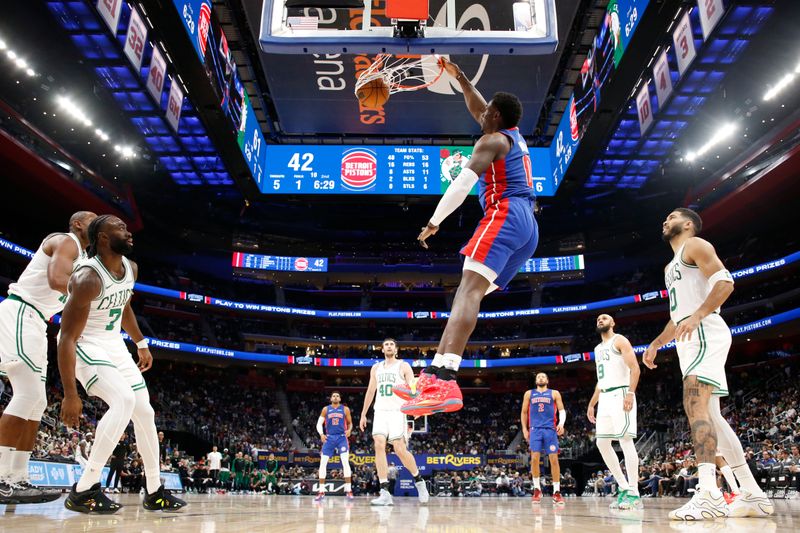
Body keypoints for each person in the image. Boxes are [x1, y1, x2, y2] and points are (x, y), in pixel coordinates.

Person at [397, 58, 538, 417]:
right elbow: (476, 102)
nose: (481, 112)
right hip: (528, 228)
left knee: (468, 292)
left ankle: (446, 379)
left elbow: (462, 184)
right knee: (465, 295)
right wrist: (459, 76)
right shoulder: (510, 135)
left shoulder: (490, 141)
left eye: (487, 110)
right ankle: (432, 375)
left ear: (495, 117)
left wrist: (434, 221)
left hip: (505, 214)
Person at [643, 208, 773, 520]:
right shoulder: (669, 265)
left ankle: (708, 493)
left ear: (688, 224)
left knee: (695, 405)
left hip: (704, 332)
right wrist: (658, 342)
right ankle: (752, 494)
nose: (665, 219)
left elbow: (725, 283)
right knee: (712, 416)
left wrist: (699, 316)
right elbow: (679, 314)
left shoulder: (695, 245)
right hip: (688, 337)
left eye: (672, 216)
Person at [57, 215, 186, 513]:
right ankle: (84, 488)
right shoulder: (87, 277)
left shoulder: (131, 268)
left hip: (114, 344)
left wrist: (141, 343)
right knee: (124, 400)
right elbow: (66, 338)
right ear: (102, 238)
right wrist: (70, 394)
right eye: (120, 229)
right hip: (86, 344)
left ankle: (154, 491)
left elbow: (123, 304)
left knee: (145, 411)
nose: (129, 233)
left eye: (127, 229)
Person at [0, 211, 96, 504]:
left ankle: (17, 478)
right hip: (21, 311)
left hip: (37, 320)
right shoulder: (66, 241)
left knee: (38, 401)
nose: (99, 223)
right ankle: (2, 477)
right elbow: (57, 280)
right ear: (78, 224)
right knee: (27, 395)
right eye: (94, 219)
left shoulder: (84, 259)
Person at [359, 338, 429, 506]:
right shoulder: (376, 368)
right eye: (386, 345)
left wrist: (417, 407)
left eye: (392, 344)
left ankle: (419, 481)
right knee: (379, 444)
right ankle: (384, 492)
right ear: (382, 349)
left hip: (398, 411)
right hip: (380, 411)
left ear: (396, 349)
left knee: (399, 449)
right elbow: (370, 391)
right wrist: (363, 414)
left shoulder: (404, 366)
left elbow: (414, 388)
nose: (389, 346)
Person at [586, 314, 642, 511]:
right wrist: (592, 403)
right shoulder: (597, 348)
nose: (600, 320)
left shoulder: (620, 340)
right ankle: (624, 487)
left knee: (625, 440)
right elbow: (601, 381)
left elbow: (635, 369)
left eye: (604, 318)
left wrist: (630, 393)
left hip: (621, 393)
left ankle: (634, 492)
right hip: (605, 397)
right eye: (598, 319)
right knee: (602, 442)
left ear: (613, 323)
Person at [521, 373, 565, 505]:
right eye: (539, 377)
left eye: (543, 377)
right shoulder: (529, 394)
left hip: (550, 430)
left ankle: (556, 492)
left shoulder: (554, 393)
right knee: (534, 459)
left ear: (547, 380)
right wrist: (524, 428)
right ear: (535, 380)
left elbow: (562, 410)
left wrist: (561, 424)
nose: (541, 378)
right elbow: (523, 412)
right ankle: (537, 489)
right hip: (535, 429)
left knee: (554, 460)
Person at [314, 391, 354, 502]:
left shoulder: (345, 409)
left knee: (345, 462)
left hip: (342, 438)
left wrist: (349, 430)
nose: (335, 397)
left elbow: (350, 423)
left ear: (340, 399)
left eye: (337, 396)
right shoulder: (325, 409)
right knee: (323, 463)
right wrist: (321, 434)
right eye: (333, 396)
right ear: (331, 398)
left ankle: (349, 490)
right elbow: (318, 424)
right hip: (329, 438)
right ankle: (321, 491)